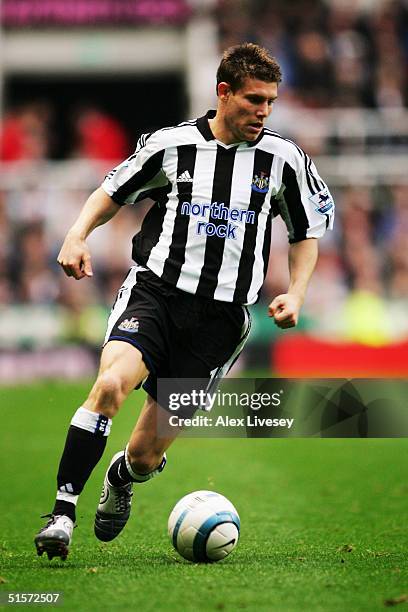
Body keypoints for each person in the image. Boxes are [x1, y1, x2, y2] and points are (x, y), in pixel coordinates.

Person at [34, 43, 334, 560]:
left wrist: (297, 291)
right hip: (156, 294)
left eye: (270, 103)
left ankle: (123, 476)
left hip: (220, 322)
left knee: (147, 456)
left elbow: (306, 230)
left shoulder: (284, 158)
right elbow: (111, 191)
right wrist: (78, 234)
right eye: (254, 100)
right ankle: (62, 514)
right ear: (224, 92)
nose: (264, 112)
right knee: (109, 384)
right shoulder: (171, 147)